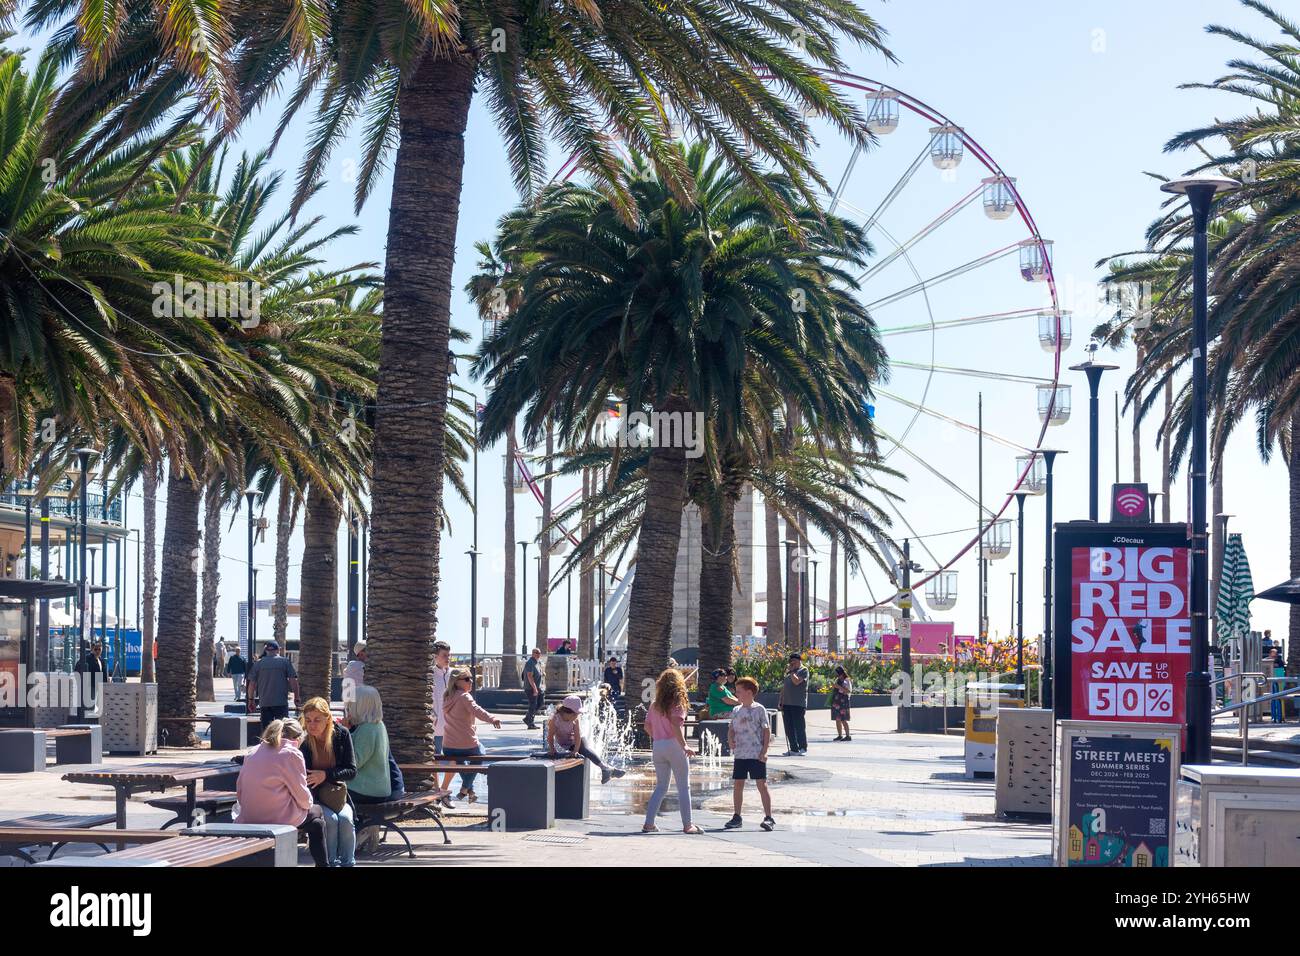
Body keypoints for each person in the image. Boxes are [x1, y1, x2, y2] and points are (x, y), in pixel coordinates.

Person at [235, 718, 329, 867]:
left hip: (249, 816)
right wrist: (309, 804)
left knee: (315, 821)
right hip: (277, 818)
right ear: (298, 738)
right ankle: (323, 864)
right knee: (317, 814)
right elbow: (302, 796)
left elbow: (239, 790)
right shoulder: (292, 753)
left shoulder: (253, 751)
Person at [641, 669, 702, 834]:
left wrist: (659, 737)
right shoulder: (677, 702)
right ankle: (688, 825)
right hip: (674, 745)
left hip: (658, 746)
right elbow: (676, 725)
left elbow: (647, 726)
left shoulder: (655, 704)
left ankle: (649, 823)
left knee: (661, 786)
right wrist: (684, 746)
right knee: (684, 787)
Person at [300, 696, 358, 867]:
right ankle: (330, 863)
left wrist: (325, 775)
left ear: (328, 718)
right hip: (316, 797)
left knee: (346, 820)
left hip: (337, 794)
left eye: (317, 720)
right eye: (308, 720)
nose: (312, 724)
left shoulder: (341, 735)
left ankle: (348, 863)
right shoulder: (304, 743)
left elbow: (351, 770)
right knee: (330, 821)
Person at [441, 667, 501, 804]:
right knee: (481, 752)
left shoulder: (447, 696)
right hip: (466, 744)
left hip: (448, 746)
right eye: (467, 679)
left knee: (462, 763)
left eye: (471, 678)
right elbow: (477, 711)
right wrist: (492, 719)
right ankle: (465, 789)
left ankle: (471, 791)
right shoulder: (464, 696)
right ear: (457, 682)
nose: (471, 681)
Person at [345, 685, 391, 855]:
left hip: (365, 788)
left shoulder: (367, 729)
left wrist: (344, 735)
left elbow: (355, 762)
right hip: (378, 787)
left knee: (325, 791)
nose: (348, 706)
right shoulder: (377, 725)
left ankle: (345, 837)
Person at [724, 676, 774, 831]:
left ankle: (769, 817)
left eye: (739, 691)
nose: (736, 694)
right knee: (738, 784)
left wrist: (764, 751)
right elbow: (731, 728)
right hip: (740, 754)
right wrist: (730, 740)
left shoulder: (759, 709)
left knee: (761, 784)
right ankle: (737, 816)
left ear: (749, 692)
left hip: (755, 753)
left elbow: (766, 731)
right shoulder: (736, 710)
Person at [547, 694, 625, 784]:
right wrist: (552, 749)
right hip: (565, 743)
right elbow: (550, 736)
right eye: (576, 714)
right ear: (568, 712)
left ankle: (605, 769)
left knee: (585, 750)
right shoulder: (555, 719)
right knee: (584, 751)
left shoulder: (575, 719)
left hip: (577, 740)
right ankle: (610, 769)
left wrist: (576, 750)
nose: (578, 716)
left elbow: (577, 735)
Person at [246, 641, 299, 725]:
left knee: (266, 731)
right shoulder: (285, 662)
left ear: (266, 650)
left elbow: (251, 684)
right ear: (278, 650)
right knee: (282, 730)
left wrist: (251, 700)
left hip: (264, 703)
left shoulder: (258, 664)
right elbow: (293, 681)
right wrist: (297, 697)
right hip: (281, 702)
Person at [778, 652, 809, 756]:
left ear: (799, 661)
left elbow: (796, 682)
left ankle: (803, 747)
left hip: (798, 703)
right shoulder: (789, 672)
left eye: (794, 661)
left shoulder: (803, 670)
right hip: (786, 703)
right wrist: (780, 701)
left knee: (799, 726)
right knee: (789, 727)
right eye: (791, 661)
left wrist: (791, 672)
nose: (792, 663)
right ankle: (793, 748)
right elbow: (784, 688)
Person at [74, 642, 108, 720]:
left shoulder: (101, 660)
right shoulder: (87, 658)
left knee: (97, 703)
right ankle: (89, 720)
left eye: (99, 649)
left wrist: (105, 683)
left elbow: (103, 673)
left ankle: (93, 718)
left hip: (98, 686)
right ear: (92, 649)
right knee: (90, 703)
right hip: (91, 685)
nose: (98, 651)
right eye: (95, 649)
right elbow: (77, 668)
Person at [522, 647, 545, 730]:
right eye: (536, 652)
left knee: (540, 703)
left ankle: (527, 718)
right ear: (532, 653)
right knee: (533, 704)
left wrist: (542, 674)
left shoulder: (537, 662)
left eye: (539, 653)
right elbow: (529, 676)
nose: (538, 654)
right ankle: (530, 723)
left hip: (538, 687)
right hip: (530, 688)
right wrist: (534, 689)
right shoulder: (530, 663)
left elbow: (537, 673)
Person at [831, 665, 853, 741]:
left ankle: (848, 735)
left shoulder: (847, 680)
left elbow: (848, 691)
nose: (837, 675)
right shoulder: (838, 680)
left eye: (838, 674)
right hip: (837, 701)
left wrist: (838, 687)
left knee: (843, 719)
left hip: (843, 701)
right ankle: (840, 735)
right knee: (837, 719)